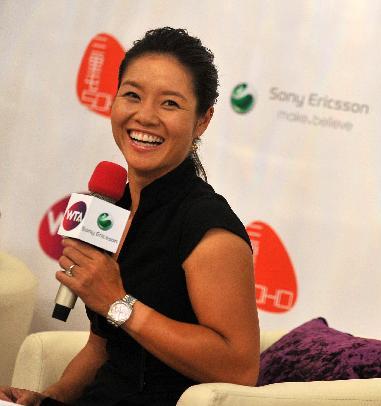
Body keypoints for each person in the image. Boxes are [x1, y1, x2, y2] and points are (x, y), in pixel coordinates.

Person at [0, 27, 260, 406]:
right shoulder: (113, 207)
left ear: (202, 120)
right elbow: (103, 349)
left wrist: (118, 303)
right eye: (133, 96)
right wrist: (47, 399)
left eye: (169, 104)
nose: (145, 116)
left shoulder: (209, 229)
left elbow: (239, 369)